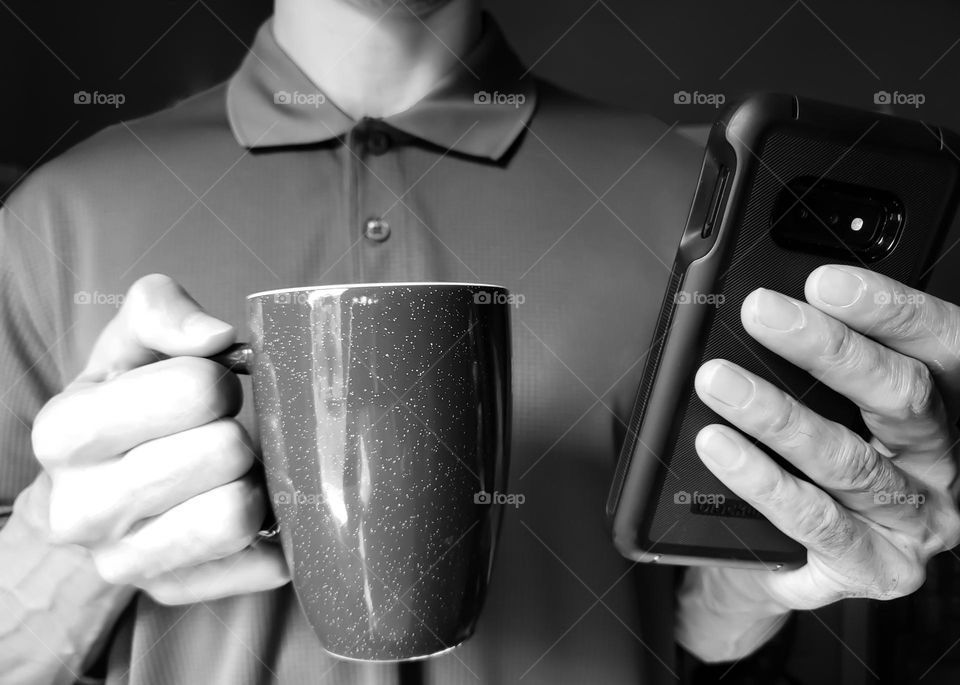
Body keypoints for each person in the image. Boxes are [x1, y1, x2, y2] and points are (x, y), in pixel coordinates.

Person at [2, 0, 959, 683]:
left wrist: (746, 606)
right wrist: (59, 553)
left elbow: (707, 632)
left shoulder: (696, 204)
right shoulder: (52, 217)